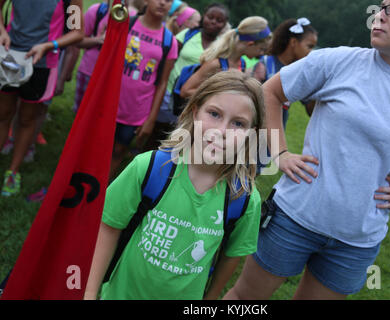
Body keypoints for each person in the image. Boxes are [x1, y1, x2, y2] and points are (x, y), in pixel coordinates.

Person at [224, 0, 390, 300]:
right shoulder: (339, 61)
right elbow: (270, 92)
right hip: (294, 217)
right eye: (381, 7)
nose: (380, 15)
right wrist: (281, 154)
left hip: (357, 241)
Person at [84, 70, 265, 300]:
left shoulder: (244, 199)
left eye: (238, 123)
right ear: (194, 111)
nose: (221, 132)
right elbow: (109, 227)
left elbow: (232, 256)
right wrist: (89, 292)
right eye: (214, 114)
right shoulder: (149, 168)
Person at [0, 0, 84, 196]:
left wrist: (49, 45)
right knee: (3, 114)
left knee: (27, 118)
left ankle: (13, 171)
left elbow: (77, 32)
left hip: (42, 63)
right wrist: (3, 32)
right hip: (10, 56)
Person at [109, 0, 178, 181]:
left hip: (136, 110)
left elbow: (163, 83)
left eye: (169, 0)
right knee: (95, 145)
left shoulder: (169, 41)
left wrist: (151, 119)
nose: (163, 3)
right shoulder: (126, 23)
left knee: (118, 150)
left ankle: (99, 190)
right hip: (109, 101)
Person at [145, 2, 229, 150]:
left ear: (224, 25)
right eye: (211, 17)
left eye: (219, 20)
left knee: (176, 134)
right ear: (204, 16)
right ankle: (146, 156)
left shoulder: (221, 47)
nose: (213, 22)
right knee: (156, 130)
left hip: (191, 98)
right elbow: (168, 55)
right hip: (168, 90)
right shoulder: (188, 34)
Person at [180, 16, 271, 99]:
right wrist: (218, 97)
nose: (262, 54)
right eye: (261, 49)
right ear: (250, 44)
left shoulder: (242, 63)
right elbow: (185, 91)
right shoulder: (216, 64)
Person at [252, 17, 318, 128]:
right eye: (309, 46)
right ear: (293, 42)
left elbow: (311, 111)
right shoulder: (265, 64)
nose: (311, 52)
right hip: (253, 131)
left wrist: (317, 87)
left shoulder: (299, 73)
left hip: (276, 136)